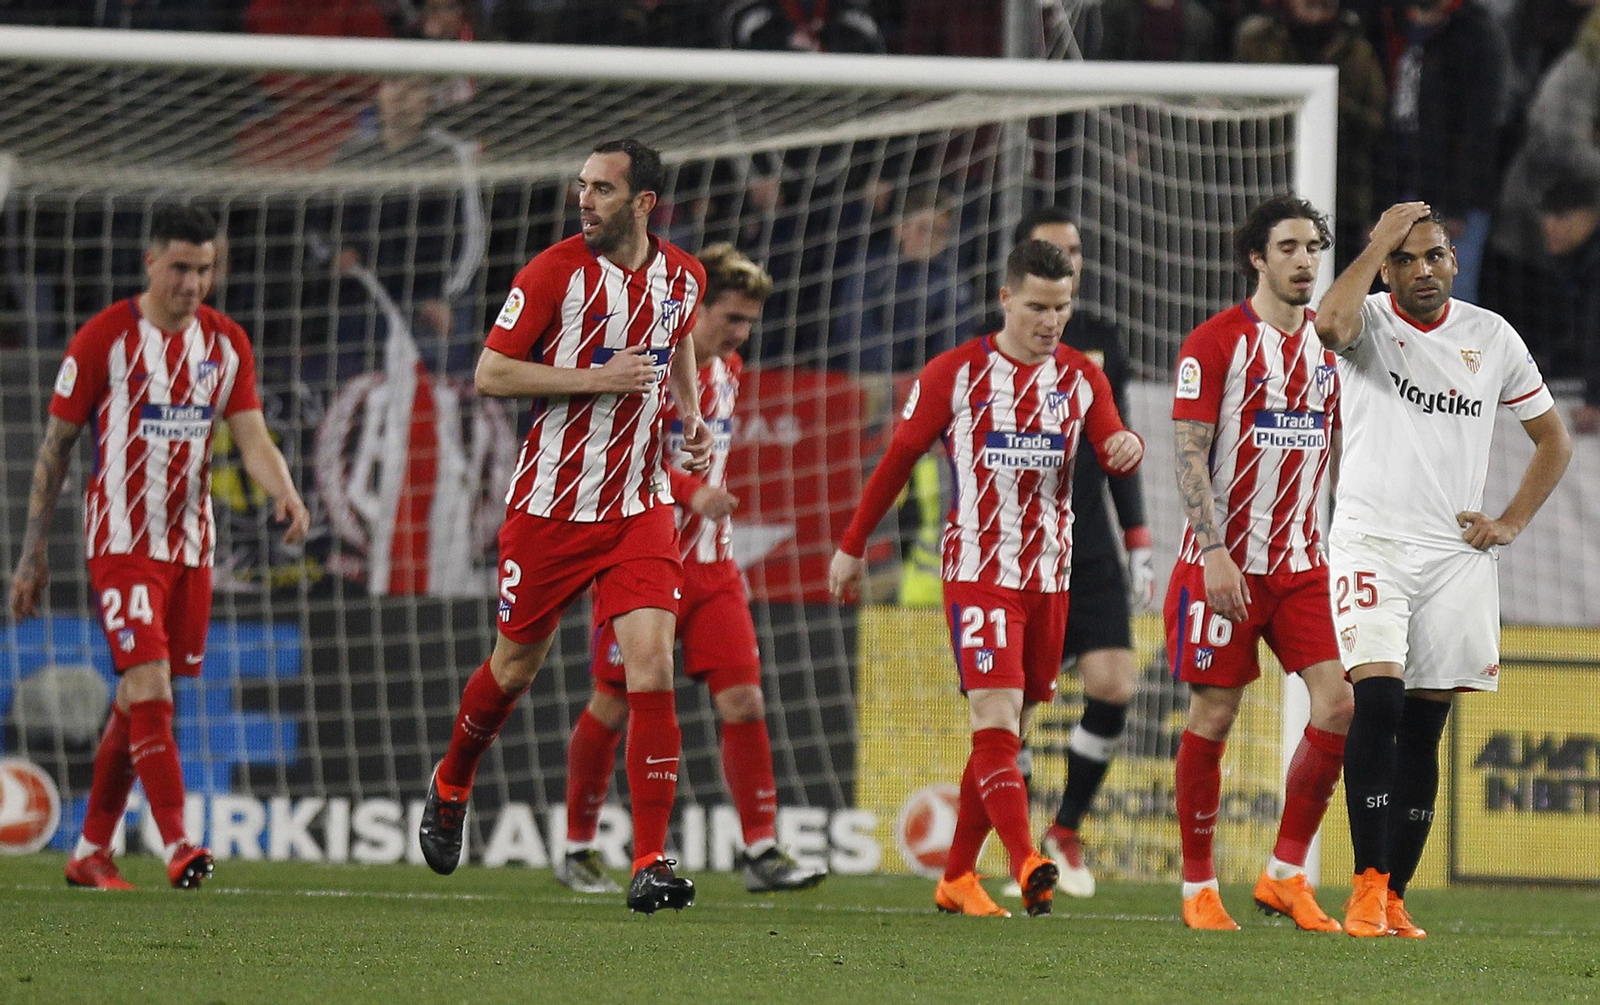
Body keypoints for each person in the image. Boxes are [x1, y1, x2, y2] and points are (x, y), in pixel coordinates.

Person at [416, 138, 714, 915]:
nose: (585, 199)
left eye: (602, 189)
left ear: (643, 203)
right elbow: (490, 372)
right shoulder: (552, 273)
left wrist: (690, 411)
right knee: (513, 671)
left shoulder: (685, 274)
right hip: (549, 507)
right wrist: (597, 379)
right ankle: (452, 781)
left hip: (639, 507)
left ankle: (648, 859)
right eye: (581, 185)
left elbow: (678, 332)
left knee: (651, 667)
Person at [829, 239, 1145, 919]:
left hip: (1051, 578)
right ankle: (1027, 858)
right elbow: (895, 461)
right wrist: (852, 546)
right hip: (979, 571)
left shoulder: (1081, 379)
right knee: (995, 716)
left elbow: (1116, 446)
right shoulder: (955, 372)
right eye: (1037, 305)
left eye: (1061, 307)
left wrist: (1126, 447)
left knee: (1010, 729)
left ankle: (957, 876)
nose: (1050, 319)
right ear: (1006, 299)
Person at [8, 204, 311, 890]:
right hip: (122, 541)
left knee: (137, 698)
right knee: (149, 685)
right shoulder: (104, 339)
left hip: (190, 547)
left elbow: (251, 432)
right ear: (150, 263)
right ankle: (179, 842)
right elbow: (54, 452)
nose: (193, 283)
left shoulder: (226, 342)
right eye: (180, 267)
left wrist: (284, 491)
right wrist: (31, 555)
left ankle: (89, 849)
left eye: (205, 268)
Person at [1313, 201, 1572, 938]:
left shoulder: (1490, 336)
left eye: (1436, 256)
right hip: (1372, 542)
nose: (1424, 269)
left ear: (1454, 262)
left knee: (1426, 725)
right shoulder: (1367, 323)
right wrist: (1375, 241)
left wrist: (1511, 520)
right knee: (1380, 701)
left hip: (1456, 553)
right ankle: (1364, 884)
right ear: (1387, 265)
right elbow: (1326, 324)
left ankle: (1395, 894)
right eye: (1408, 257)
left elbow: (1553, 439)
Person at [557, 243, 826, 896]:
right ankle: (578, 845)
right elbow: (623, 459)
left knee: (745, 698)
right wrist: (689, 491)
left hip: (712, 566)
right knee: (614, 702)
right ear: (692, 310)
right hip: (640, 560)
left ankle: (761, 849)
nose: (739, 334)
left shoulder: (729, 371)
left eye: (748, 323)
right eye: (729, 318)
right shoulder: (644, 371)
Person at [1167, 195, 1351, 932]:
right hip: (1225, 563)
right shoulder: (1214, 343)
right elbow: (1187, 450)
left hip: (1304, 563)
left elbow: (1339, 451)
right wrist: (1213, 551)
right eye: (1289, 247)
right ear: (1257, 257)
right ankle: (1198, 886)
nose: (1306, 260)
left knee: (1338, 704)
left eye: (1314, 247)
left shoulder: (1332, 345)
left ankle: (1283, 873)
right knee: (1215, 713)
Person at [1010, 207, 1153, 899]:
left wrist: (1139, 539)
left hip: (1088, 538)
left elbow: (1117, 442)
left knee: (1115, 682)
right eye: (1055, 252)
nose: (1069, 261)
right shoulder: (990, 353)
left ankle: (1064, 829)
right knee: (1016, 710)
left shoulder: (1098, 343)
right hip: (1015, 545)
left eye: (1076, 252)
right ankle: (1019, 845)